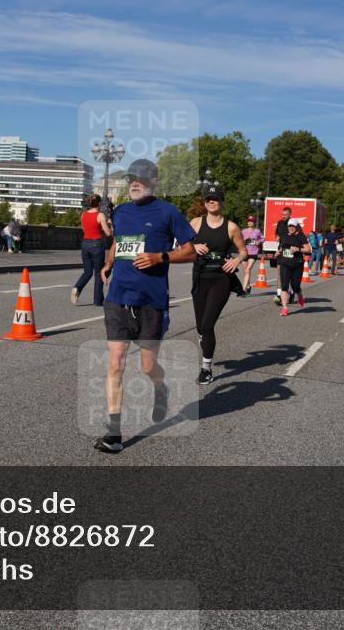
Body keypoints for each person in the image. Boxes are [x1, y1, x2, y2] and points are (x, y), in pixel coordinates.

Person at [95, 159, 197, 453]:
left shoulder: (168, 212)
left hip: (151, 301)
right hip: (118, 298)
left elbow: (190, 251)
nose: (134, 184)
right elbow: (119, 240)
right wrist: (109, 262)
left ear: (154, 182)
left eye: (140, 179)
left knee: (148, 365)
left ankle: (160, 388)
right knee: (115, 364)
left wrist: (159, 258)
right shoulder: (123, 211)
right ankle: (114, 433)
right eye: (130, 180)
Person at [190, 184, 247, 385]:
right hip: (200, 278)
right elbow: (182, 245)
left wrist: (236, 260)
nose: (211, 202)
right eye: (208, 199)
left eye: (215, 199)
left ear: (221, 202)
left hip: (220, 279)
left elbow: (243, 251)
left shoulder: (231, 227)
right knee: (200, 327)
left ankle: (206, 368)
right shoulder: (196, 223)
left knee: (207, 325)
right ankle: (205, 341)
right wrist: (193, 246)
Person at [71, 193, 113, 306]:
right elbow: (108, 234)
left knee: (87, 271)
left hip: (85, 244)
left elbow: (85, 230)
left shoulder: (83, 215)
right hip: (96, 245)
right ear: (99, 204)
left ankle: (77, 287)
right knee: (98, 273)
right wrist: (108, 224)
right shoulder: (100, 215)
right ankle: (97, 301)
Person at [275, 219, 311, 317]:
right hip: (285, 263)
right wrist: (278, 252)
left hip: (297, 264)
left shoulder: (301, 236)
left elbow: (308, 249)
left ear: (296, 227)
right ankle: (285, 308)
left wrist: (298, 249)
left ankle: (299, 295)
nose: (291, 228)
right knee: (284, 286)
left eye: (293, 226)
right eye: (289, 226)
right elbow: (281, 247)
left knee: (295, 286)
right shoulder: (284, 235)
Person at [273, 207, 301, 305]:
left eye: (285, 214)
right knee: (280, 273)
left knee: (291, 276)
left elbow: (299, 235)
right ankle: (279, 295)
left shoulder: (294, 224)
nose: (283, 216)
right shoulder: (280, 223)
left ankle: (292, 293)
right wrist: (277, 237)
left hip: (293, 253)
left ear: (290, 214)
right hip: (282, 250)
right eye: (282, 214)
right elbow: (277, 234)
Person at [241, 215, 263, 295]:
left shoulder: (257, 231)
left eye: (252, 221)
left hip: (253, 253)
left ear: (254, 223)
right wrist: (244, 240)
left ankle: (243, 290)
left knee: (248, 269)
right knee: (246, 271)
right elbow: (239, 240)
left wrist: (259, 242)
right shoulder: (243, 231)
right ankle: (249, 286)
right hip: (245, 252)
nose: (250, 223)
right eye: (249, 221)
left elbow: (263, 238)